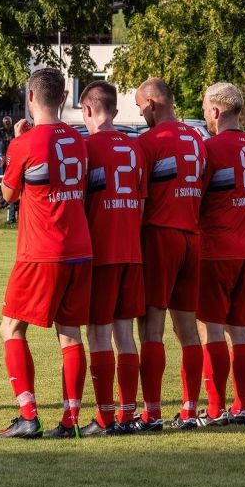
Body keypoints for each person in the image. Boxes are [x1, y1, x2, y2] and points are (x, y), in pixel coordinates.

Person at [0, 67, 92, 439]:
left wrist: (15, 144)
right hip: (80, 249)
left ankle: (28, 415)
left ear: (30, 98)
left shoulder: (25, 144)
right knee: (70, 335)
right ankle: (69, 422)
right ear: (64, 99)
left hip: (41, 252)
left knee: (11, 327)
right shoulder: (78, 140)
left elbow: (8, 195)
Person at [135, 77, 208, 431]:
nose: (140, 113)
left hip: (159, 236)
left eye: (139, 106)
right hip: (192, 237)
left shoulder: (150, 141)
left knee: (151, 327)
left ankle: (150, 413)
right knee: (188, 330)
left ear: (151, 103)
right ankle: (190, 410)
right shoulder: (197, 138)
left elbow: (138, 197)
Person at [79, 80, 146, 436]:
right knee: (125, 333)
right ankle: (127, 414)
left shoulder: (86, 147)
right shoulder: (136, 149)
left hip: (101, 252)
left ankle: (104, 417)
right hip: (132, 252)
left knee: (98, 334)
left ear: (87, 110)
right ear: (116, 112)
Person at [195, 83, 245, 427]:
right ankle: (242, 407)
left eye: (206, 109)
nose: (206, 115)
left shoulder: (210, 148)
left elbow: (197, 197)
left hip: (216, 249)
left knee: (212, 330)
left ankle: (216, 409)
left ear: (216, 112)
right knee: (241, 331)